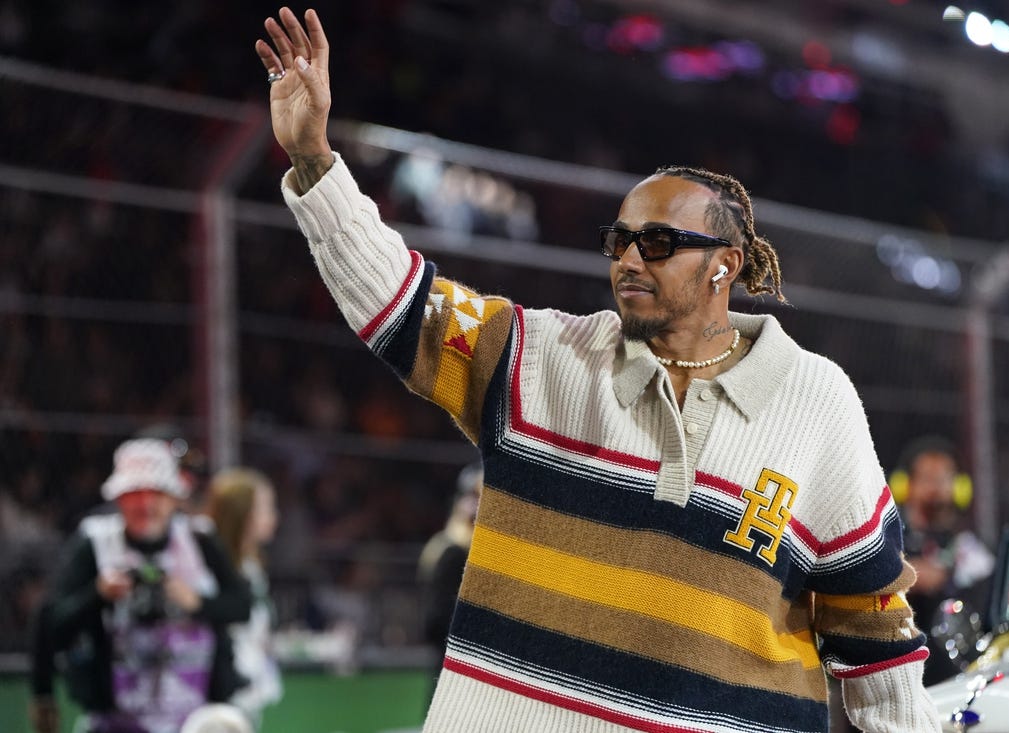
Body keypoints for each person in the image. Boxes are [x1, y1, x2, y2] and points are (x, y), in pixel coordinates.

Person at [255, 8, 940, 731]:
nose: (628, 259)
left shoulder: (816, 401)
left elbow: (870, 630)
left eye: (655, 242)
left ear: (724, 266)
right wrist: (314, 160)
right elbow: (403, 300)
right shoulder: (542, 358)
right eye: (618, 241)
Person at [33, 438, 251, 733]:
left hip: (193, 718)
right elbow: (52, 623)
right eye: (135, 493)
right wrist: (98, 595)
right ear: (118, 497)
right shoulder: (95, 542)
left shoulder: (199, 539)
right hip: (116, 719)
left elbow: (243, 605)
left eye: (157, 493)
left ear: (175, 497)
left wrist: (197, 603)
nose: (146, 505)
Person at [891, 435, 994, 685]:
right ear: (905, 485)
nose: (935, 487)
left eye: (943, 478)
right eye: (926, 478)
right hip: (899, 676)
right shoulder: (889, 542)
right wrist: (906, 575)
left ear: (959, 488)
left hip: (954, 680)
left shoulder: (969, 547)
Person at [204, 466, 284, 729]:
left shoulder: (253, 565)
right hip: (221, 695)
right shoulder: (212, 569)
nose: (273, 517)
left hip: (250, 692)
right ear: (242, 514)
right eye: (265, 508)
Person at [417, 462, 482, 703]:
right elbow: (435, 619)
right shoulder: (450, 551)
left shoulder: (456, 548)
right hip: (454, 661)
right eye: (475, 497)